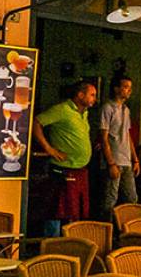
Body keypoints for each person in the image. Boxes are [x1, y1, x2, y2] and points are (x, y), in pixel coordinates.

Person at [32, 80, 97, 233]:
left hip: (80, 169)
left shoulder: (84, 113)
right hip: (63, 169)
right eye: (92, 95)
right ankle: (52, 243)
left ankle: (70, 242)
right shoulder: (62, 109)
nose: (95, 98)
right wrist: (48, 148)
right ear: (80, 95)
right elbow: (36, 123)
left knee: (75, 211)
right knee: (57, 210)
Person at [98, 75, 141, 213]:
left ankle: (127, 225)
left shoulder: (126, 110)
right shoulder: (107, 108)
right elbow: (103, 138)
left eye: (130, 88)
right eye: (126, 87)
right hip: (114, 159)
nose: (129, 91)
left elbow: (127, 135)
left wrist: (135, 159)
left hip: (126, 159)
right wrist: (111, 163)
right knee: (110, 198)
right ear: (116, 89)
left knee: (132, 198)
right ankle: (107, 225)